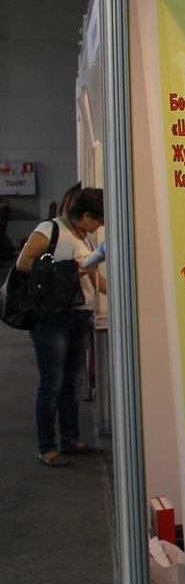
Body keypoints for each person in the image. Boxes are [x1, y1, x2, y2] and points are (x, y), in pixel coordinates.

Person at [15, 186, 105, 467]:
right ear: (86, 215)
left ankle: (71, 438)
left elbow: (92, 277)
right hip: (52, 318)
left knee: (72, 383)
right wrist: (69, 268)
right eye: (99, 220)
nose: (100, 226)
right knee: (51, 384)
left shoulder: (84, 236)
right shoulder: (49, 230)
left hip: (80, 315)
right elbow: (23, 263)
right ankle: (47, 446)